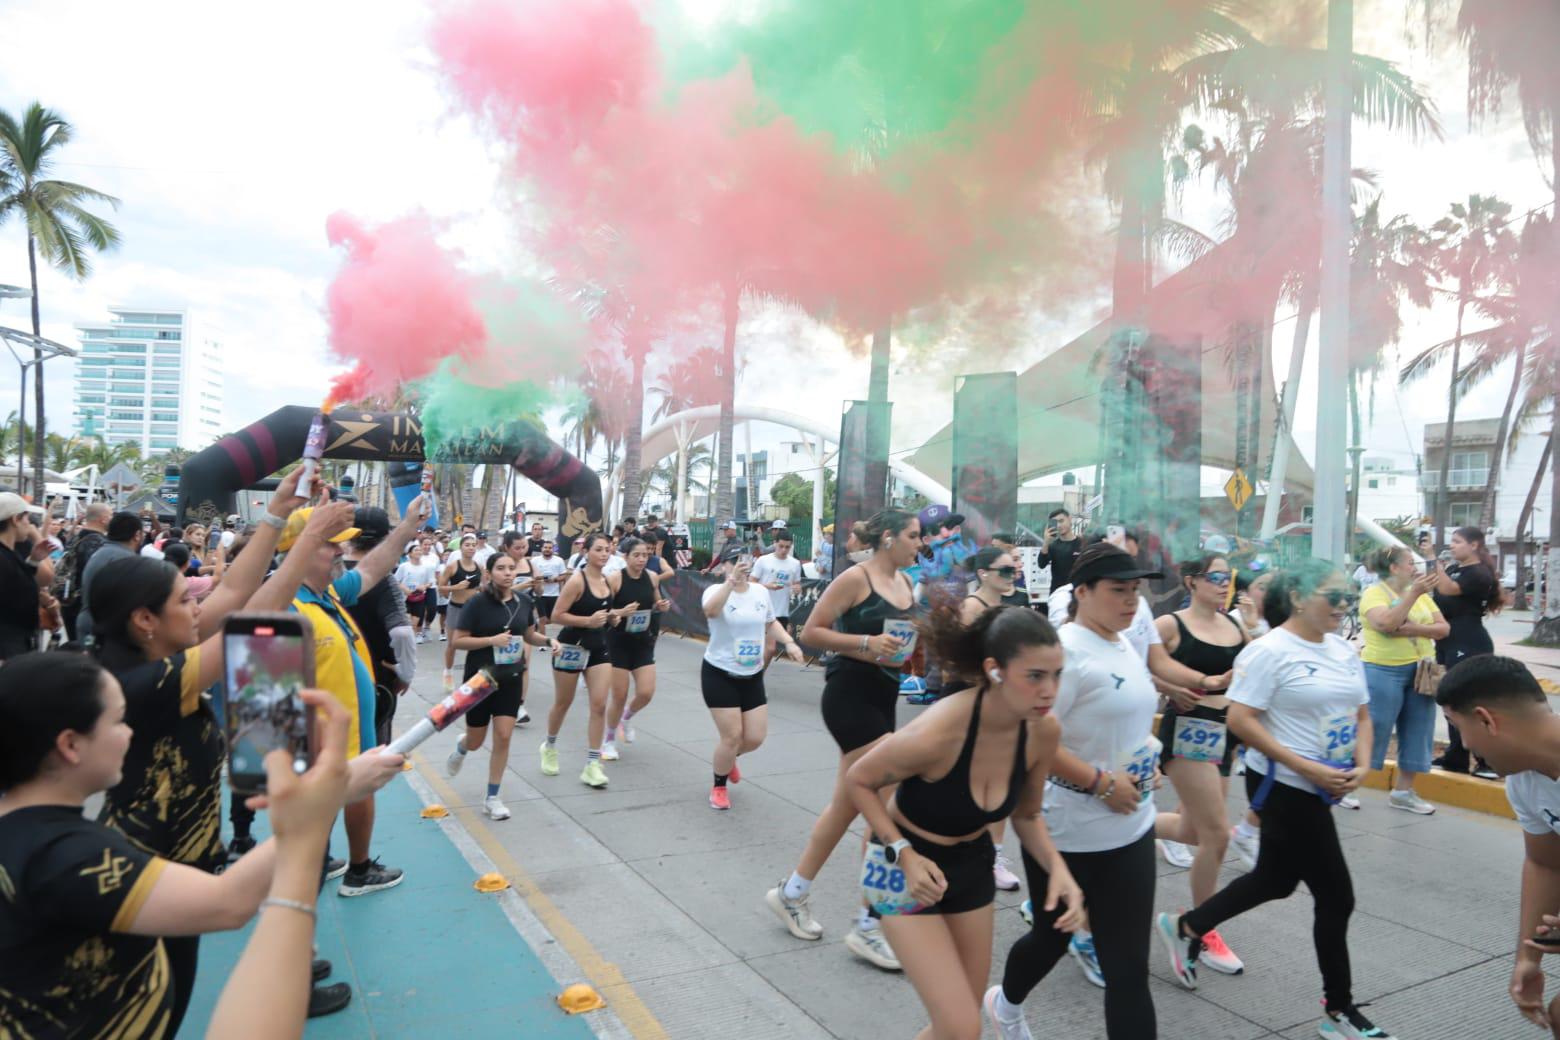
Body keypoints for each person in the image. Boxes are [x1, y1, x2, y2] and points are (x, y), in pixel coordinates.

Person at [87, 473, 389, 1027]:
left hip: (181, 865)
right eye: (185, 598)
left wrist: (275, 512)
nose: (201, 605)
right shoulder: (145, 682)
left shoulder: (145, 657)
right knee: (158, 1006)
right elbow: (256, 613)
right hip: (155, 873)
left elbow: (234, 596)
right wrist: (304, 540)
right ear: (145, 620)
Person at [0, 652, 360, 1040]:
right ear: (70, 745)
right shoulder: (67, 857)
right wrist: (313, 821)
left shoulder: (27, 835)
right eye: (119, 721)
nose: (130, 733)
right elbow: (229, 903)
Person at [1154, 560, 1397, 1040]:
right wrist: (1306, 767)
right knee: (1337, 895)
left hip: (1327, 783)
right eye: (1334, 596)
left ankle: (1186, 928)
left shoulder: (1342, 651)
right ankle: (1338, 1011)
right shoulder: (1267, 651)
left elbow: (1362, 715)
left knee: (1275, 879)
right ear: (1301, 597)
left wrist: (1362, 765)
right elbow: (1242, 720)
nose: (1344, 605)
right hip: (1286, 786)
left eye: (1347, 595)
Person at [841, 605, 1082, 1040]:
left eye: (1057, 675)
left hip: (972, 864)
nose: (1050, 691)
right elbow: (859, 780)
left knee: (959, 1028)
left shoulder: (1042, 731)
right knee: (960, 1026)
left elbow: (1026, 814)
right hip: (898, 866)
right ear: (995, 670)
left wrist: (1060, 872)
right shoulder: (939, 731)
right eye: (1035, 676)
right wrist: (905, 854)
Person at [991, 542, 1162, 1038]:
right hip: (1067, 830)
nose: (1131, 601)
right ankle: (1005, 1004)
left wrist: (1144, 753)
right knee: (1050, 940)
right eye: (1118, 591)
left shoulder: (1120, 640)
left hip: (1132, 825)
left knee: (1128, 969)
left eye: (1135, 591)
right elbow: (1033, 736)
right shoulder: (1064, 652)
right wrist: (1101, 781)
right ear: (1082, 592)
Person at [766, 508, 922, 972]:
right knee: (887, 804)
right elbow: (811, 631)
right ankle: (870, 924)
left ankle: (791, 892)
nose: (921, 544)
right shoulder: (856, 578)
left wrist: (906, 653)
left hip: (885, 693)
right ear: (889, 537)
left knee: (847, 804)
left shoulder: (906, 582)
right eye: (914, 536)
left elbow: (896, 639)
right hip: (850, 694)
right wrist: (866, 646)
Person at [281, 491, 430, 904]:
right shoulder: (285, 607)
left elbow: (370, 568)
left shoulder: (325, 594)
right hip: (319, 759)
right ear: (301, 549)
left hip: (344, 754)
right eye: (332, 544)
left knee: (312, 851)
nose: (341, 551)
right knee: (301, 860)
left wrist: (407, 527)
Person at [1433, 655, 1560, 1033]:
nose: (1463, 743)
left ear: (1487, 720)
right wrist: (1528, 957)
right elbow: (1546, 864)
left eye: (1457, 727)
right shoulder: (1526, 782)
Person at [1146, 553, 1248, 976]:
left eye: (1229, 577)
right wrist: (1173, 687)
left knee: (1193, 831)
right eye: (1216, 577)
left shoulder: (1236, 625)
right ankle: (1199, 928)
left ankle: (1121, 825)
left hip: (1226, 731)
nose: (1224, 584)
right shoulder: (1171, 624)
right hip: (1189, 728)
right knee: (1217, 836)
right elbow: (1136, 664)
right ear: (1192, 582)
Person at [447, 552, 558, 819]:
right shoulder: (477, 603)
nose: (508, 573)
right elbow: (458, 641)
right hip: (480, 679)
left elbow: (528, 634)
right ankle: (463, 747)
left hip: (511, 678)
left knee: (504, 736)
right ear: (489, 573)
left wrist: (547, 641)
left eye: (511, 568)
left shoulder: (523, 601)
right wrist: (491, 641)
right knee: (476, 740)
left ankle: (493, 797)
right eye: (501, 568)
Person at [701, 543, 803, 810]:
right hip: (720, 672)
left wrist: (789, 643)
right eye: (733, 561)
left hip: (752, 672)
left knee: (755, 738)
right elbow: (711, 611)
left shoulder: (759, 591)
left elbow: (771, 622)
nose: (740, 565)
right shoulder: (715, 591)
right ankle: (719, 786)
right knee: (732, 736)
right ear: (723, 565)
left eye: (744, 560)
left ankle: (728, 759)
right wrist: (730, 582)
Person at [1359, 544, 1448, 815]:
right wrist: (1412, 598)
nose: (1415, 568)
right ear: (1394, 568)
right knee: (1375, 727)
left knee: (1419, 730)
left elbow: (1443, 628)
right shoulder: (1374, 594)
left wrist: (1411, 628)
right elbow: (1386, 624)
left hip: (1422, 670)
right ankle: (1348, 784)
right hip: (1383, 669)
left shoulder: (1422, 596)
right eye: (1410, 562)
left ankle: (1403, 792)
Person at [960, 547, 1028, 894]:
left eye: (1014, 569)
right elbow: (964, 662)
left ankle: (993, 856)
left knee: (1003, 783)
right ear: (983, 573)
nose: (1012, 575)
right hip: (982, 704)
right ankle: (975, 852)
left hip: (1009, 704)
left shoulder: (1012, 606)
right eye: (1004, 570)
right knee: (979, 783)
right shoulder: (972, 608)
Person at [542, 532, 620, 788]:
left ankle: (592, 764)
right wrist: (587, 621)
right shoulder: (577, 581)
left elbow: (604, 612)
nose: (604, 554)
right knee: (563, 702)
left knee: (599, 705)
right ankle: (550, 746)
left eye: (607, 549)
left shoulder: (608, 581)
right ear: (586, 552)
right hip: (571, 646)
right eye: (598, 549)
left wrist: (611, 618)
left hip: (599, 648)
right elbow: (556, 615)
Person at [1430, 526, 1504, 778]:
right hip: (1448, 642)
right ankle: (1456, 758)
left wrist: (1431, 556)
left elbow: (1449, 590)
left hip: (1469, 641)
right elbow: (1436, 592)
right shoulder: (1453, 569)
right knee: (1451, 703)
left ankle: (1487, 762)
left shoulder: (1479, 573)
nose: (1452, 545)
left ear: (1474, 545)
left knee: (1471, 704)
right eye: (1451, 541)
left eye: (1457, 541)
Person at [342, 507, 418, 751]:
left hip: (332, 672)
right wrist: (405, 672)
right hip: (377, 679)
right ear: (387, 538)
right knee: (372, 752)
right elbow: (402, 632)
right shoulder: (384, 580)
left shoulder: (329, 572)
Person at [603, 537, 670, 761]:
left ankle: (626, 718)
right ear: (626, 556)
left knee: (646, 692)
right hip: (618, 642)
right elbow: (603, 612)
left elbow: (656, 601)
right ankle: (609, 740)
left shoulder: (651, 577)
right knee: (619, 696)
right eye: (637, 555)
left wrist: (660, 606)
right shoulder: (615, 579)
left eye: (645, 555)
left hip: (642, 640)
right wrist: (620, 613)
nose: (641, 559)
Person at [0, 493, 51, 659]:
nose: (29, 524)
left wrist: (34, 561)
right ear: (15, 519)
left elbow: (17, 583)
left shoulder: (10, 552)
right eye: (27, 518)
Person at [54, 501, 111, 639]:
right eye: (111, 515)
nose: (112, 518)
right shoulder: (95, 541)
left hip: (69, 600)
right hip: (81, 605)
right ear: (103, 519)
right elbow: (92, 575)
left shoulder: (76, 538)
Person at [440, 534, 486, 690]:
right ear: (461, 547)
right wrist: (455, 587)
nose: (471, 547)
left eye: (473, 545)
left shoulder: (479, 566)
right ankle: (448, 672)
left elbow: (484, 586)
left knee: (474, 644)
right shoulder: (452, 566)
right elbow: (440, 588)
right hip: (455, 608)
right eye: (468, 545)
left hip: (473, 609)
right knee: (453, 644)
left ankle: (472, 676)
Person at [752, 528, 804, 663]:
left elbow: (797, 585)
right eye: (781, 546)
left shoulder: (795, 563)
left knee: (770, 649)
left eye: (787, 547)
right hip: (761, 609)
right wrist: (768, 586)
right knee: (768, 648)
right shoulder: (763, 560)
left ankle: (755, 676)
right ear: (774, 543)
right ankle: (754, 677)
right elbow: (750, 584)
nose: (784, 550)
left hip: (781, 612)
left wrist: (797, 589)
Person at [395, 534, 440, 642]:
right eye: (416, 550)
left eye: (419, 551)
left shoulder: (428, 564)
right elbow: (396, 580)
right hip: (405, 596)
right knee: (406, 621)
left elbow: (431, 580)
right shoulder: (404, 566)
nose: (419, 552)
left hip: (420, 595)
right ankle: (407, 637)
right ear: (410, 554)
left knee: (418, 619)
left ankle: (416, 636)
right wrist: (405, 589)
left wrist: (423, 586)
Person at [1037, 507, 1083, 588]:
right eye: (1055, 522)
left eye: (1061, 521)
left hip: (1077, 592)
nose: (1059, 525)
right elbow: (1041, 564)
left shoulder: (1082, 544)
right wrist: (1046, 542)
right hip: (1057, 594)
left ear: (1069, 519)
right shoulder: (1052, 546)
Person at [533, 537, 568, 624]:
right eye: (545, 547)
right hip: (540, 595)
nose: (547, 549)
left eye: (550, 548)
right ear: (541, 549)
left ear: (553, 549)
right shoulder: (534, 561)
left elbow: (563, 575)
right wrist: (540, 579)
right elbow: (531, 576)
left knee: (553, 619)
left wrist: (555, 579)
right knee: (542, 619)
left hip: (554, 594)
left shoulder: (559, 560)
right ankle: (542, 635)